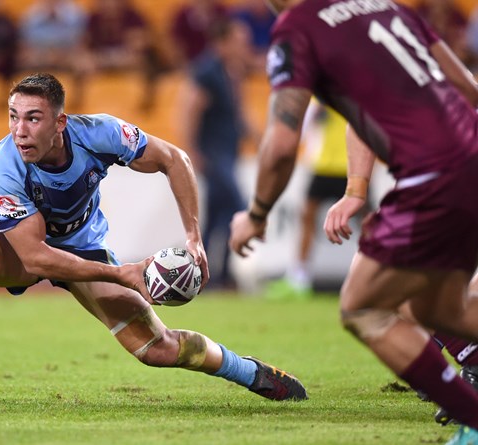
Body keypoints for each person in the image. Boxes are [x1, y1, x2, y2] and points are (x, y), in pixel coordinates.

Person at [0, 72, 307, 404]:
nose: (20, 131)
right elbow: (36, 258)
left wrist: (194, 236)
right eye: (13, 116)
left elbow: (174, 159)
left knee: (158, 349)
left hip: (84, 246)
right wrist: (123, 273)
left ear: (60, 122)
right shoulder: (3, 168)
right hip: (26, 249)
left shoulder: (99, 133)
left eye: (33, 118)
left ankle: (250, 372)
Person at [226, 0, 478, 442]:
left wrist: (257, 214)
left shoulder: (297, 29)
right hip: (467, 156)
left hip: (435, 174)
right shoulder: (388, 8)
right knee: (432, 308)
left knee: (364, 307)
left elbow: (283, 142)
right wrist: (356, 189)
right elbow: (464, 84)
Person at [179, 19, 253, 290]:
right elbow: (191, 110)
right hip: (214, 154)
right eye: (238, 41)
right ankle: (224, 272)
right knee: (238, 207)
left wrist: (253, 135)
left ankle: (207, 275)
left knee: (216, 215)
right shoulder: (208, 70)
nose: (244, 47)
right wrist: (191, 151)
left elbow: (234, 112)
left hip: (227, 152)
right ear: (223, 42)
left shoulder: (228, 71)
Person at [265, 103, 353, 299]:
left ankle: (382, 273)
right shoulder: (319, 91)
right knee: (307, 217)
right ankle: (299, 278)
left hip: (350, 164)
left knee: (368, 223)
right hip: (323, 164)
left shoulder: (352, 86)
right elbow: (306, 124)